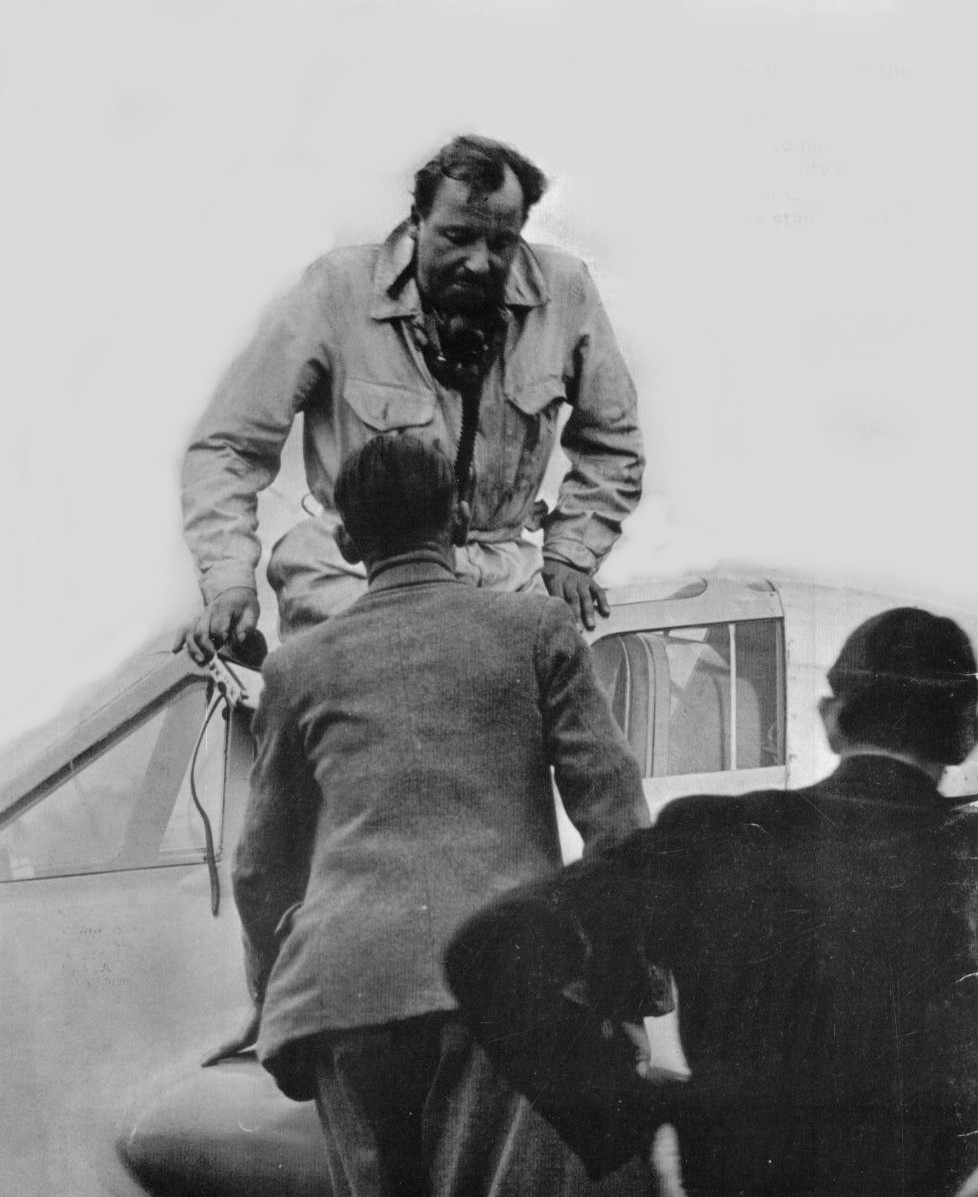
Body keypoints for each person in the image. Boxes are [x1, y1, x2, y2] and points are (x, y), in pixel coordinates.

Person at [225, 433, 652, 1197]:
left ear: (349, 541)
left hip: (346, 996)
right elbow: (615, 819)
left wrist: (272, 997)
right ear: (457, 520)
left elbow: (259, 868)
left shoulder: (298, 666)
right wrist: (632, 977)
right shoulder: (537, 631)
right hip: (504, 983)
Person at [446, 606, 978, 1197]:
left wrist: (625, 1112)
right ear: (965, 735)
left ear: (833, 720)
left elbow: (490, 950)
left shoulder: (713, 835)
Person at [179, 133, 644, 664]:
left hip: (502, 575)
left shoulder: (566, 291)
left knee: (545, 696)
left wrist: (572, 552)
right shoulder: (336, 290)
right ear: (417, 220)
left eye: (501, 243)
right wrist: (229, 580)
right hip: (355, 570)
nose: (479, 262)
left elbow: (614, 440)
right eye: (457, 237)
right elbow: (228, 447)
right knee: (372, 703)